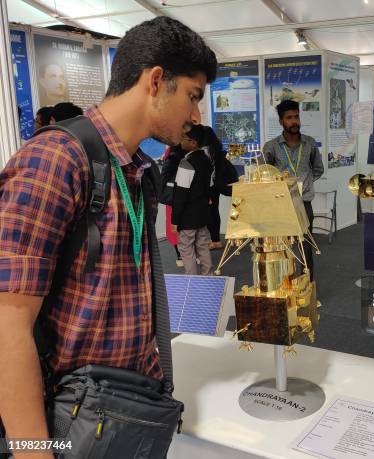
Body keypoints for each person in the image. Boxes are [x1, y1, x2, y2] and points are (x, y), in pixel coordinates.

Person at [0, 16, 216, 453]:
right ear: (156, 81)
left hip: (124, 412)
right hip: (70, 422)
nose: (195, 115)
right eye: (193, 97)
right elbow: (7, 323)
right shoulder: (55, 160)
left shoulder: (137, 169)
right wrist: (31, 449)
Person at [262, 99, 324, 280]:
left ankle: (307, 285)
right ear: (281, 121)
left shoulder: (310, 144)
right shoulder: (271, 147)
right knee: (281, 245)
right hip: (280, 205)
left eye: (296, 117)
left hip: (304, 204)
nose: (294, 121)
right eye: (289, 118)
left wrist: (305, 184)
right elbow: (264, 173)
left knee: (306, 248)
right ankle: (285, 284)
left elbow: (318, 169)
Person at [172, 125, 214, 276]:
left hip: (187, 216)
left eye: (184, 139)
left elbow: (180, 193)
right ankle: (208, 276)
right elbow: (209, 187)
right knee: (202, 245)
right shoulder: (207, 160)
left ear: (193, 142)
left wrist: (175, 219)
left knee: (186, 248)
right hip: (202, 213)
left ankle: (192, 280)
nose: (181, 141)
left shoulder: (186, 163)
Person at [200, 126, 235, 250]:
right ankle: (215, 240)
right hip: (216, 185)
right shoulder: (216, 148)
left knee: (207, 212)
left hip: (206, 186)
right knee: (214, 211)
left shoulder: (203, 150)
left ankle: (210, 240)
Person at [161, 143, 189, 267]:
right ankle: (183, 255)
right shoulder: (186, 154)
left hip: (172, 196)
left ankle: (181, 256)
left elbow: (163, 176)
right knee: (184, 225)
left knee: (174, 225)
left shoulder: (170, 154)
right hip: (183, 195)